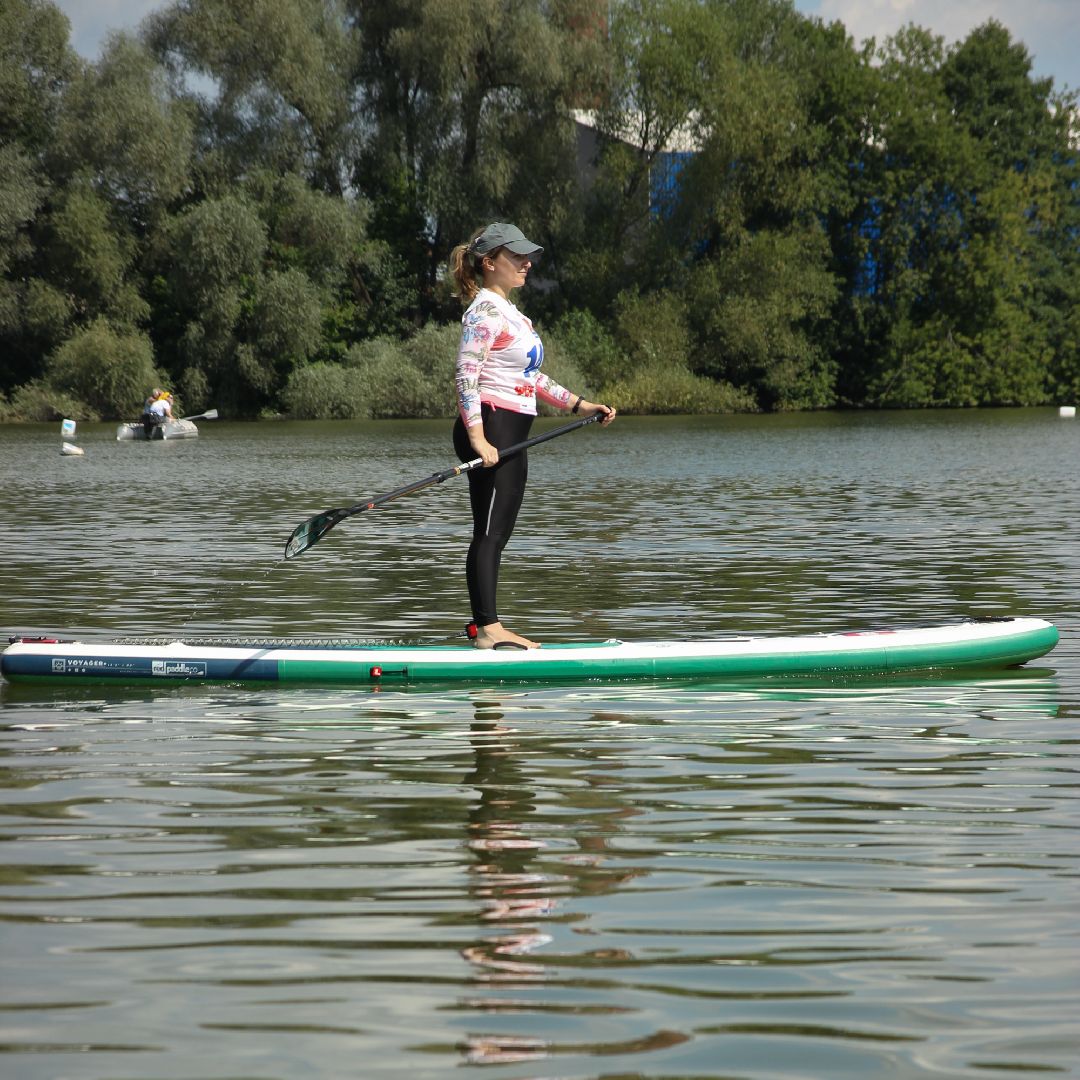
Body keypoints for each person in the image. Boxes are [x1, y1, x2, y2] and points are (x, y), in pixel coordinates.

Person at [449, 222, 616, 650]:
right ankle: (487, 630)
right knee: (488, 532)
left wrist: (581, 405)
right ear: (489, 263)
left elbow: (531, 376)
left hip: (510, 428)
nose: (527, 263)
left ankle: (486, 625)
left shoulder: (511, 314)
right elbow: (466, 376)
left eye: (528, 255)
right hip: (491, 426)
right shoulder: (484, 310)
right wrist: (478, 439)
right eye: (516, 256)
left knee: (498, 532)